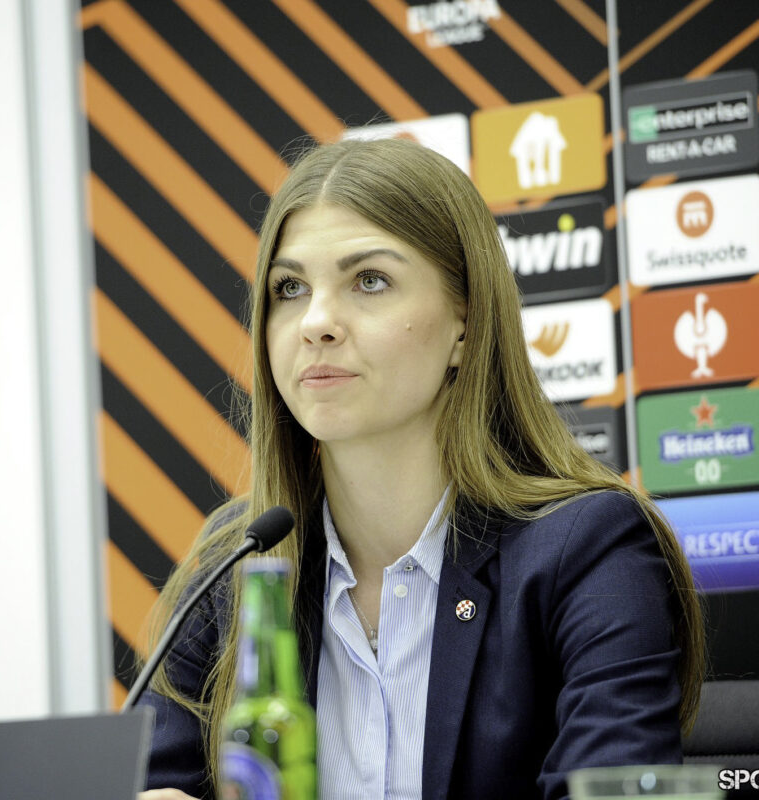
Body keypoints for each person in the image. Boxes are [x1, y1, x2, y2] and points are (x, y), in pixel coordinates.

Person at [136, 137, 704, 800]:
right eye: (290, 288)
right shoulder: (235, 564)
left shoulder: (588, 549)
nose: (316, 322)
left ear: (465, 323)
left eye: (369, 281)